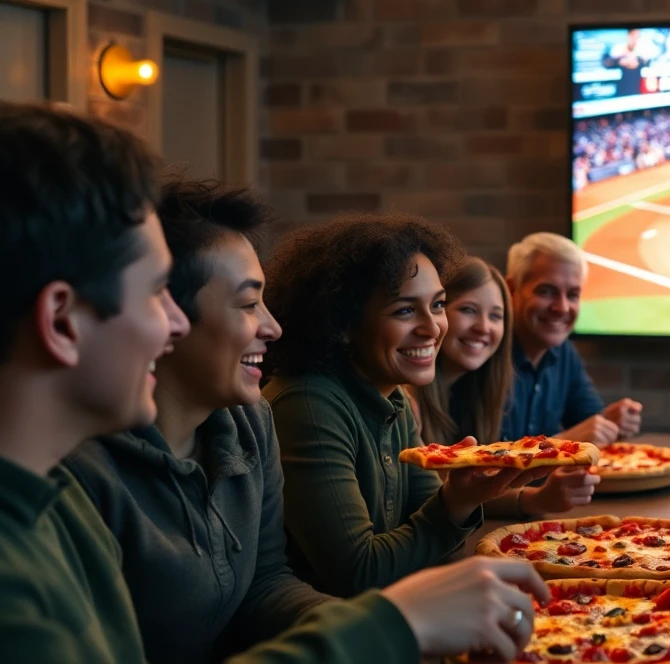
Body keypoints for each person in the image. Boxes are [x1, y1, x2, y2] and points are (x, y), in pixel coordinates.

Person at [0, 102, 548, 662]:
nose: (171, 322)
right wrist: (394, 625)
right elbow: (356, 571)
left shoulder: (64, 488)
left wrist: (402, 626)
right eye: (153, 292)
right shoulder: (69, 495)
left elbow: (262, 586)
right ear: (62, 320)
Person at [61, 180, 328, 662]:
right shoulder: (78, 471)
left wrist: (361, 620)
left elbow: (264, 582)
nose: (273, 327)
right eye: (249, 305)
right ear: (165, 316)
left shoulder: (250, 420)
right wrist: (382, 627)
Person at [263, 215, 540, 597]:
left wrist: (460, 497)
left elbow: (433, 542)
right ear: (341, 324)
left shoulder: (393, 396)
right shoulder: (307, 405)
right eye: (405, 310)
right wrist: (451, 505)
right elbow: (360, 573)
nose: (433, 327)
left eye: (438, 304)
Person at [412, 257, 597, 517]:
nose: (483, 327)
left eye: (496, 316)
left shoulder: (477, 388)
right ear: (438, 313)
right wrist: (536, 498)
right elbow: (429, 499)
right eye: (468, 310)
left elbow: (468, 491)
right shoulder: (408, 401)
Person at [502, 232, 641, 445]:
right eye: (546, 291)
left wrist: (611, 424)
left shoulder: (564, 352)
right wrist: (562, 442)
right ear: (511, 290)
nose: (562, 307)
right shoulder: (483, 353)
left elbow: (587, 424)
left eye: (573, 295)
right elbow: (479, 465)